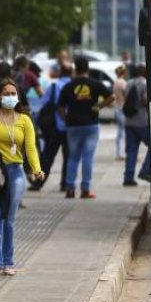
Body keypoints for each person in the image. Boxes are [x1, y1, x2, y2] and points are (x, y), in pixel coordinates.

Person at [0, 79, 43, 276]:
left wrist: (37, 169)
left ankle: (8, 261)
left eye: (14, 94)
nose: (11, 97)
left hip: (15, 172)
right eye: (7, 94)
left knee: (9, 218)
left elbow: (30, 148)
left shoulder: (24, 120)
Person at [57, 57, 115, 199]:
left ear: (75, 69)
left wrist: (66, 119)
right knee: (88, 157)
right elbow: (111, 96)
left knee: (73, 157)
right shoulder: (95, 83)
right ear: (88, 69)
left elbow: (60, 106)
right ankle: (85, 189)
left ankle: (70, 189)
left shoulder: (69, 86)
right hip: (91, 125)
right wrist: (98, 106)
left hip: (73, 126)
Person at [30, 62, 73, 192]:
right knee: (69, 156)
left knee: (48, 155)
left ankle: (38, 183)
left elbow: (43, 102)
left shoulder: (54, 86)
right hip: (70, 126)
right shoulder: (73, 86)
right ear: (71, 73)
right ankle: (65, 183)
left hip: (54, 127)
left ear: (60, 72)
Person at [123, 64, 151, 186]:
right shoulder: (145, 83)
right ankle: (145, 170)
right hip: (142, 122)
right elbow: (145, 100)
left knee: (131, 151)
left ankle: (128, 177)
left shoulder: (128, 83)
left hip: (129, 121)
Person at [113, 65, 128, 161]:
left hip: (117, 107)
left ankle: (118, 152)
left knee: (120, 131)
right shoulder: (123, 83)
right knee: (124, 132)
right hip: (123, 108)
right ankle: (122, 153)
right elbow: (126, 94)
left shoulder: (115, 82)